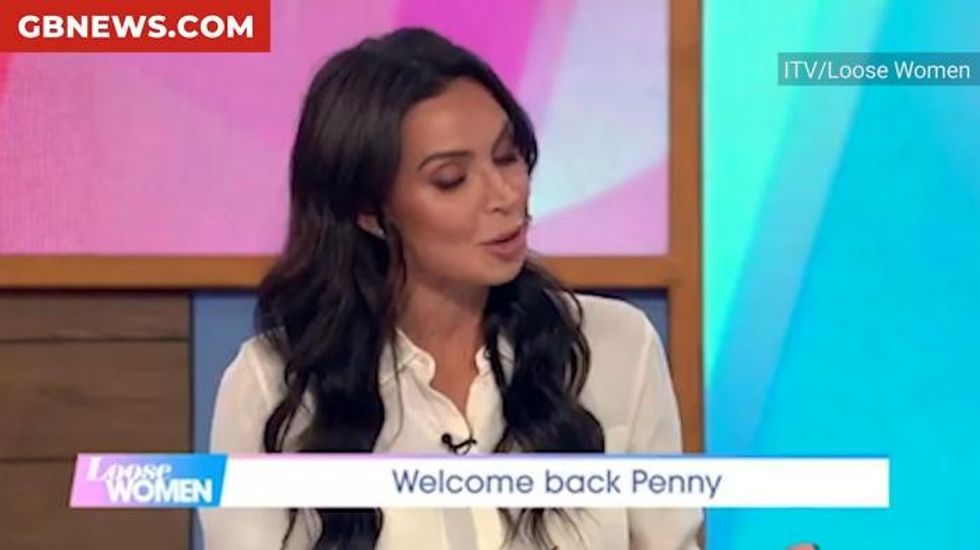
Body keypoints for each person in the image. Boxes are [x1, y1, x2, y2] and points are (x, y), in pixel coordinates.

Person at [200, 27, 701, 550]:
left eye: (507, 156)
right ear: (368, 210)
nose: (506, 195)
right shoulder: (272, 386)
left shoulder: (616, 347)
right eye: (451, 179)